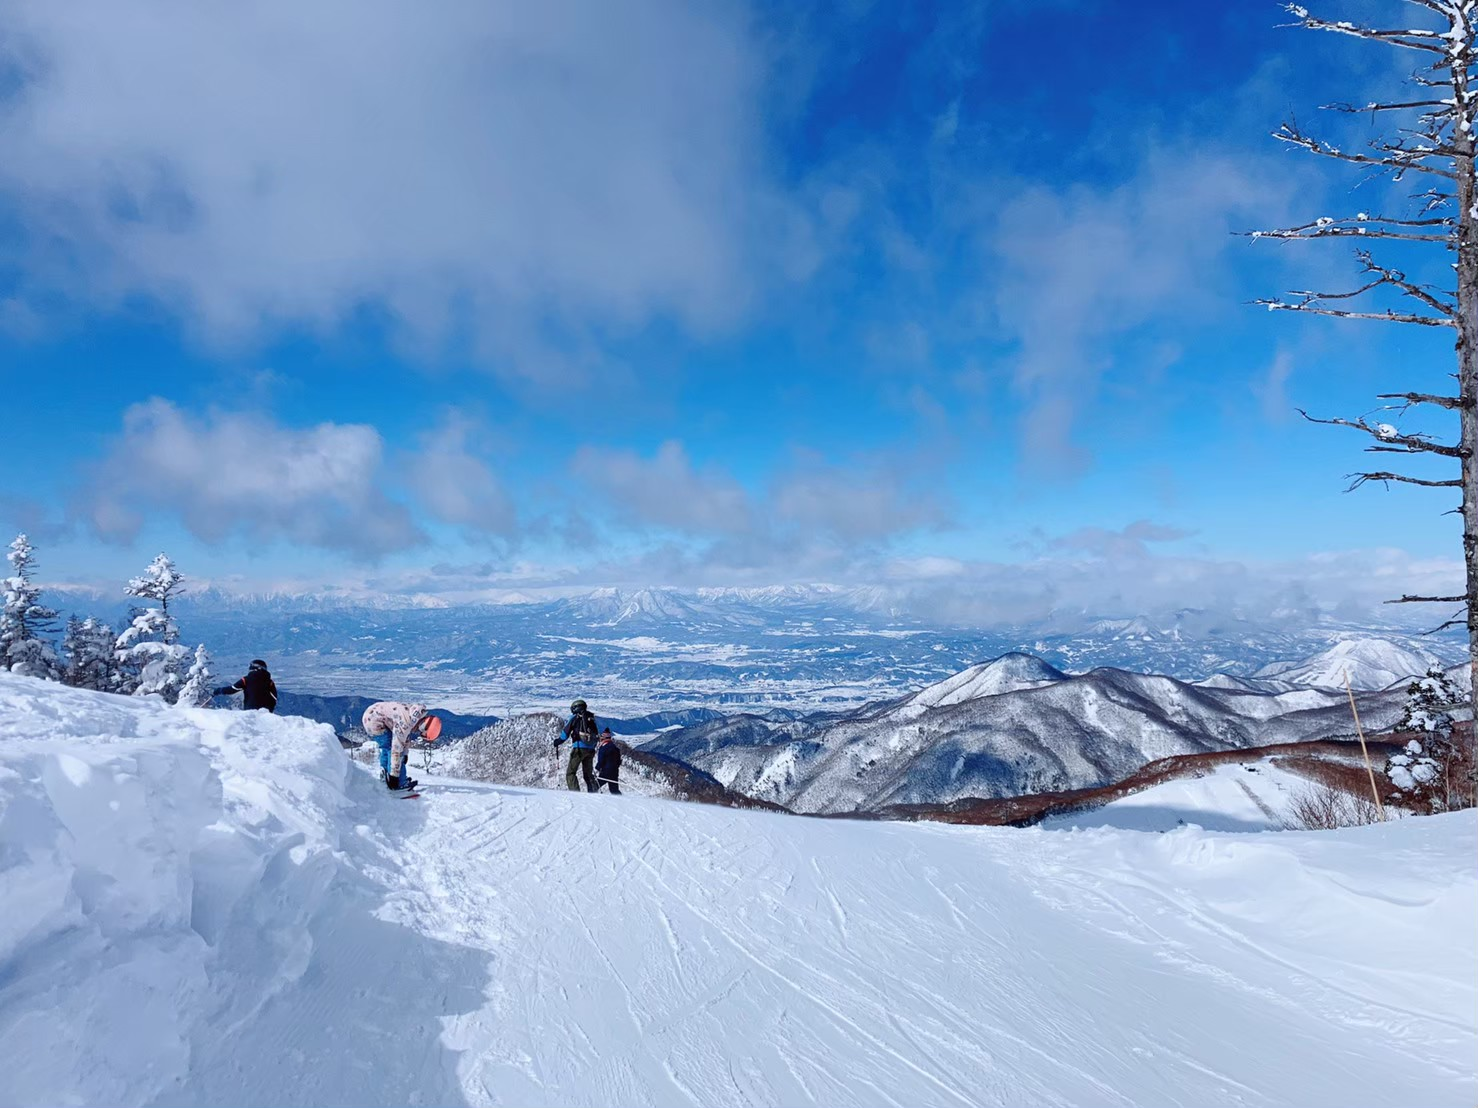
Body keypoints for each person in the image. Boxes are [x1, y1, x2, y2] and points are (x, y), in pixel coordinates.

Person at [361, 701, 438, 791]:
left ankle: (385, 776)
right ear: (423, 727)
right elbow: (396, 750)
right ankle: (400, 783)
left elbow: (406, 735)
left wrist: (405, 753)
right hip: (375, 722)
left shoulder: (413, 715)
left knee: (386, 748)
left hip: (371, 716)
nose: (418, 732)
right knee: (394, 751)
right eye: (421, 732)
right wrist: (394, 776)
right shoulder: (405, 722)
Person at [555, 698, 600, 792]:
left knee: (570, 773)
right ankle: (594, 793)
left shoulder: (575, 717)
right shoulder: (591, 718)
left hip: (579, 749)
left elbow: (565, 734)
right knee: (588, 774)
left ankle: (576, 795)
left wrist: (558, 741)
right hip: (591, 749)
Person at [214, 659, 278, 712]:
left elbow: (232, 689)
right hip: (265, 712)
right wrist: (270, 709)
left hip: (250, 712)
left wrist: (219, 690)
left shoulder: (246, 679)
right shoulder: (270, 682)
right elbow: (274, 697)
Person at [594, 728, 622, 795]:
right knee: (614, 789)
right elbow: (619, 761)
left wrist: (597, 768)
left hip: (606, 772)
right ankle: (622, 802)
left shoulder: (603, 748)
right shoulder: (615, 747)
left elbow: (601, 760)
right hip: (614, 771)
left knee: (595, 786)